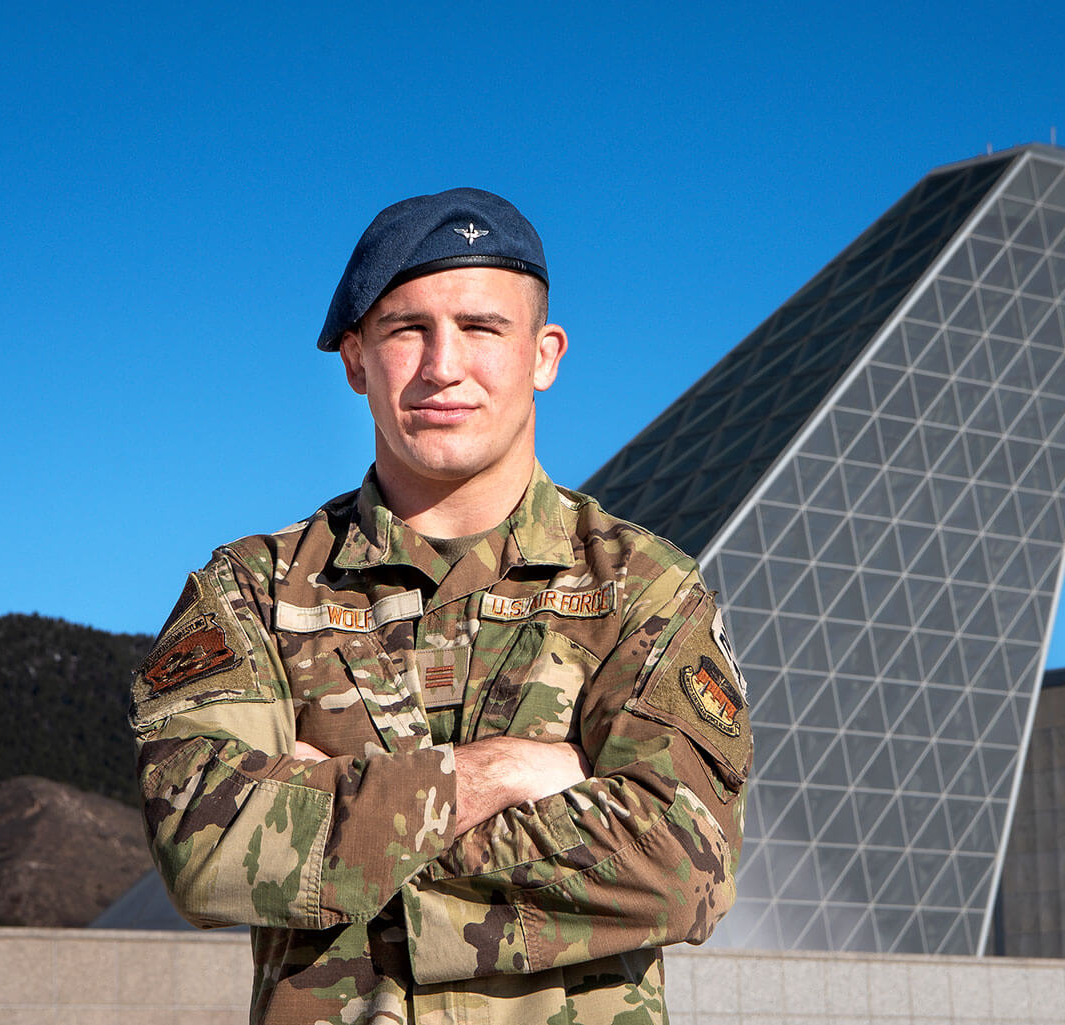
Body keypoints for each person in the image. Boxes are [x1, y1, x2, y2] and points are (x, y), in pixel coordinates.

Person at [130, 188, 752, 1025]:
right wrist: (495, 774)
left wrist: (339, 818)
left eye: (481, 328)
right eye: (406, 329)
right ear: (355, 359)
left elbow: (681, 864)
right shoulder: (252, 591)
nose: (442, 366)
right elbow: (203, 848)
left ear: (544, 353)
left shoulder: (642, 590)